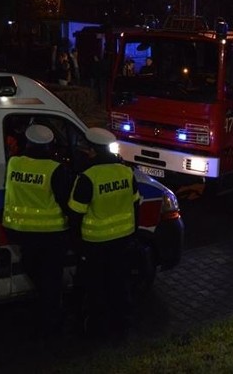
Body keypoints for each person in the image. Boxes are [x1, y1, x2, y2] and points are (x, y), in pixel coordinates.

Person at [68, 127, 141, 341]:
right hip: (123, 240)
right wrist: (133, 234)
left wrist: (76, 243)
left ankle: (97, 332)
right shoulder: (126, 172)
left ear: (91, 151)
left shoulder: (87, 178)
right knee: (120, 285)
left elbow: (75, 214)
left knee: (96, 288)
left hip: (95, 244)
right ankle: (122, 327)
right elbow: (136, 205)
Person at [2, 124, 73, 336]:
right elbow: (65, 201)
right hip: (51, 234)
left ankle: (43, 312)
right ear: (49, 146)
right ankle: (51, 324)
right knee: (51, 281)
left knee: (35, 271)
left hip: (20, 231)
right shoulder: (55, 169)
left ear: (28, 142)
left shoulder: (14, 163)